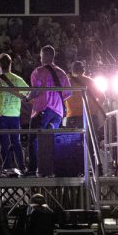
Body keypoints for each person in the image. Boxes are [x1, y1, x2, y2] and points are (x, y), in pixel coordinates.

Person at [27, 45, 71, 176]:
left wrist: (26, 98)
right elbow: (67, 93)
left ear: (45, 56)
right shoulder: (62, 73)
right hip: (57, 113)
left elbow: (34, 91)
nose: (40, 59)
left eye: (41, 57)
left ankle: (33, 169)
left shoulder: (38, 71)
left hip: (42, 110)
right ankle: (51, 169)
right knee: (52, 140)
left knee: (34, 140)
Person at [0, 53, 29, 176]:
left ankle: (6, 168)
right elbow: (27, 93)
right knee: (17, 142)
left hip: (1, 116)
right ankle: (22, 167)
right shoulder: (18, 79)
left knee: (4, 144)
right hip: (15, 116)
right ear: (11, 64)